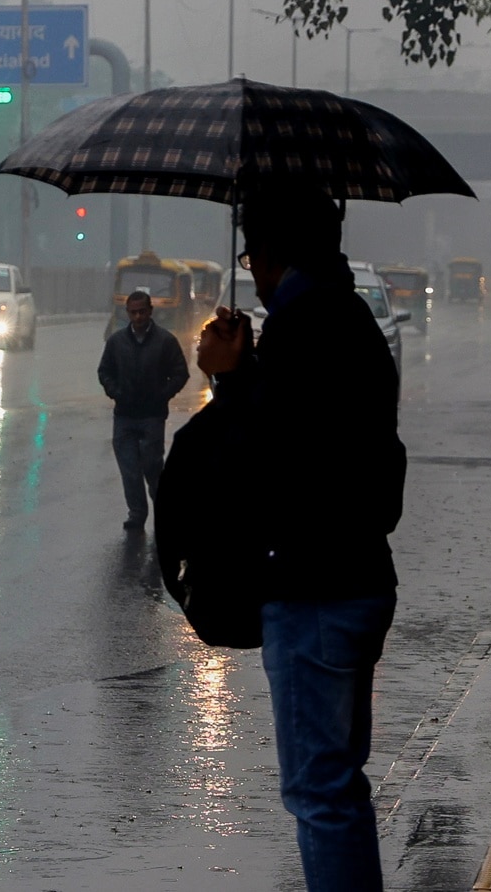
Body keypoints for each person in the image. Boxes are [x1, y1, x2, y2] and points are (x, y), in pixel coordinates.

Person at [195, 183, 404, 891]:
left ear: (276, 253)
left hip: (316, 589)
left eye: (252, 253)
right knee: (339, 787)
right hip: (356, 576)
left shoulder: (303, 327)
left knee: (320, 793)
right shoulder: (349, 319)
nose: (249, 270)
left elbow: (268, 460)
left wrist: (229, 379)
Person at [97, 289, 190, 531]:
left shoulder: (165, 341)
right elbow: (104, 371)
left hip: (152, 416)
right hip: (125, 415)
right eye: (133, 312)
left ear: (150, 311)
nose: (138, 317)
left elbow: (181, 373)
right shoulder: (117, 342)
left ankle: (163, 512)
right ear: (127, 313)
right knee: (129, 469)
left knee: (152, 466)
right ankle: (137, 514)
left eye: (142, 312)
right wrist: (115, 392)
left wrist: (162, 395)